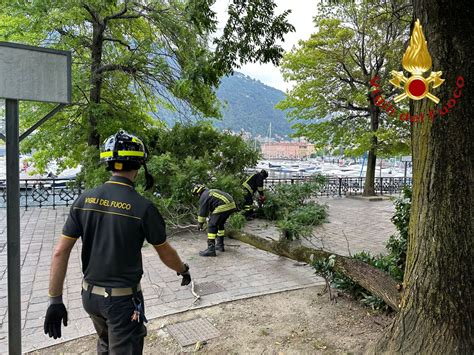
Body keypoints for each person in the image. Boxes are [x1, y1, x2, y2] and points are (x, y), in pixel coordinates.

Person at [44, 130, 191, 354]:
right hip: (121, 302)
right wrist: (182, 269)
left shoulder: (84, 200)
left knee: (105, 344)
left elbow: (59, 252)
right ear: (139, 166)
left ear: (108, 164)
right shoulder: (142, 207)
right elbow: (165, 251)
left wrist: (55, 300)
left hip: (90, 298)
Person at [192, 184, 236, 257]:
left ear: (198, 192)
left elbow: (202, 213)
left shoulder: (204, 196)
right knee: (220, 224)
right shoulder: (210, 192)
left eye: (197, 195)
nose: (198, 197)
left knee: (212, 225)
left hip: (223, 206)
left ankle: (211, 249)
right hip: (232, 205)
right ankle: (220, 245)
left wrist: (200, 224)